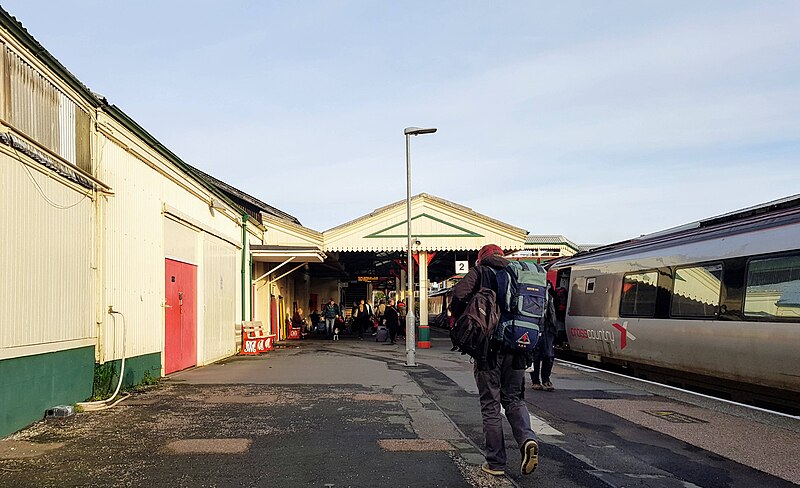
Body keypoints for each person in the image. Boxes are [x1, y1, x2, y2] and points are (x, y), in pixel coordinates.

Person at [450, 244, 539, 478]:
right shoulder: (520, 272)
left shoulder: (481, 272)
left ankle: (496, 463)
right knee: (514, 399)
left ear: (482, 258)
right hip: (520, 348)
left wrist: (463, 317)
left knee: (491, 405)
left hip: (489, 349)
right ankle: (527, 439)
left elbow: (458, 296)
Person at [530, 283, 557, 391]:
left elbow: (553, 312)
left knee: (549, 355)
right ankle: (535, 381)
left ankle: (546, 379)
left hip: (548, 327)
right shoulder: (534, 294)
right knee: (535, 355)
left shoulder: (550, 295)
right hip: (536, 326)